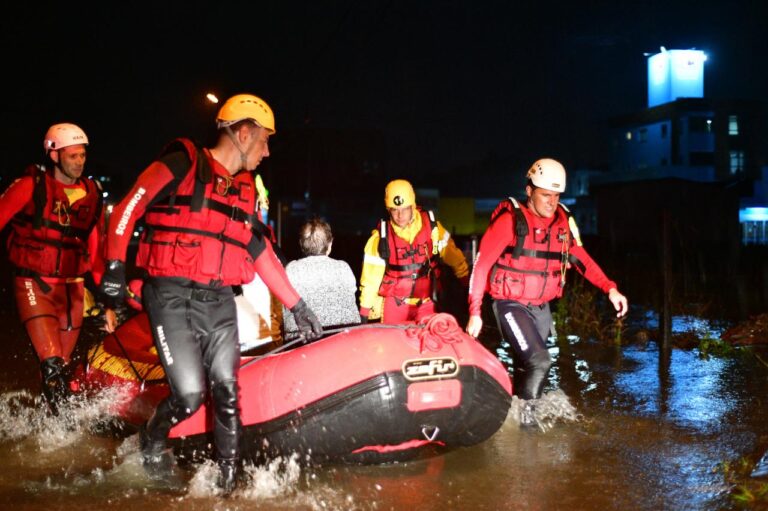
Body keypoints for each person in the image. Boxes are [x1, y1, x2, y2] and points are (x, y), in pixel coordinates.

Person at [98, 93, 322, 494]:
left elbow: (260, 253)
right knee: (189, 395)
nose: (268, 151)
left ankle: (227, 487)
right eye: (265, 140)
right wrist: (114, 267)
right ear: (243, 132)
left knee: (227, 391)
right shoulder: (182, 164)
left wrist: (298, 305)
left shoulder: (245, 190)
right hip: (170, 295)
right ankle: (151, 441)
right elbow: (126, 209)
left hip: (216, 298)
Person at [465, 158, 628, 426]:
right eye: (544, 195)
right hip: (510, 304)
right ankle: (528, 431)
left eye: (556, 196)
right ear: (529, 191)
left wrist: (610, 289)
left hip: (541, 309)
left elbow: (581, 260)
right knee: (540, 362)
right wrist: (475, 312)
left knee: (525, 367)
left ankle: (506, 422)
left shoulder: (563, 222)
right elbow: (481, 266)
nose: (551, 202)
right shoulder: (509, 221)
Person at [0, 123, 104, 415]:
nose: (80, 161)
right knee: (52, 363)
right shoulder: (28, 186)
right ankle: (59, 436)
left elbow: (96, 251)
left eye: (82, 155)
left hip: (72, 290)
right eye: (73, 156)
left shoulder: (92, 194)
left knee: (61, 372)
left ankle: (45, 426)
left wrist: (108, 297)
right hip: (34, 284)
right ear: (54, 155)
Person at [359, 179, 469, 324]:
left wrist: (467, 283)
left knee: (430, 344)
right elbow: (370, 281)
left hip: (427, 303)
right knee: (392, 345)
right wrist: (364, 313)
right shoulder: (380, 239)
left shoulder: (433, 229)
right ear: (388, 210)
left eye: (405, 209)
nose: (400, 215)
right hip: (395, 304)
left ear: (413, 206)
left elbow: (454, 256)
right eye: (394, 210)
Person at [283, 218, 360, 333]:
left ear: (301, 244)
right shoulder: (343, 268)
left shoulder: (290, 269)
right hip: (344, 339)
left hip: (301, 341)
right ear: (330, 244)